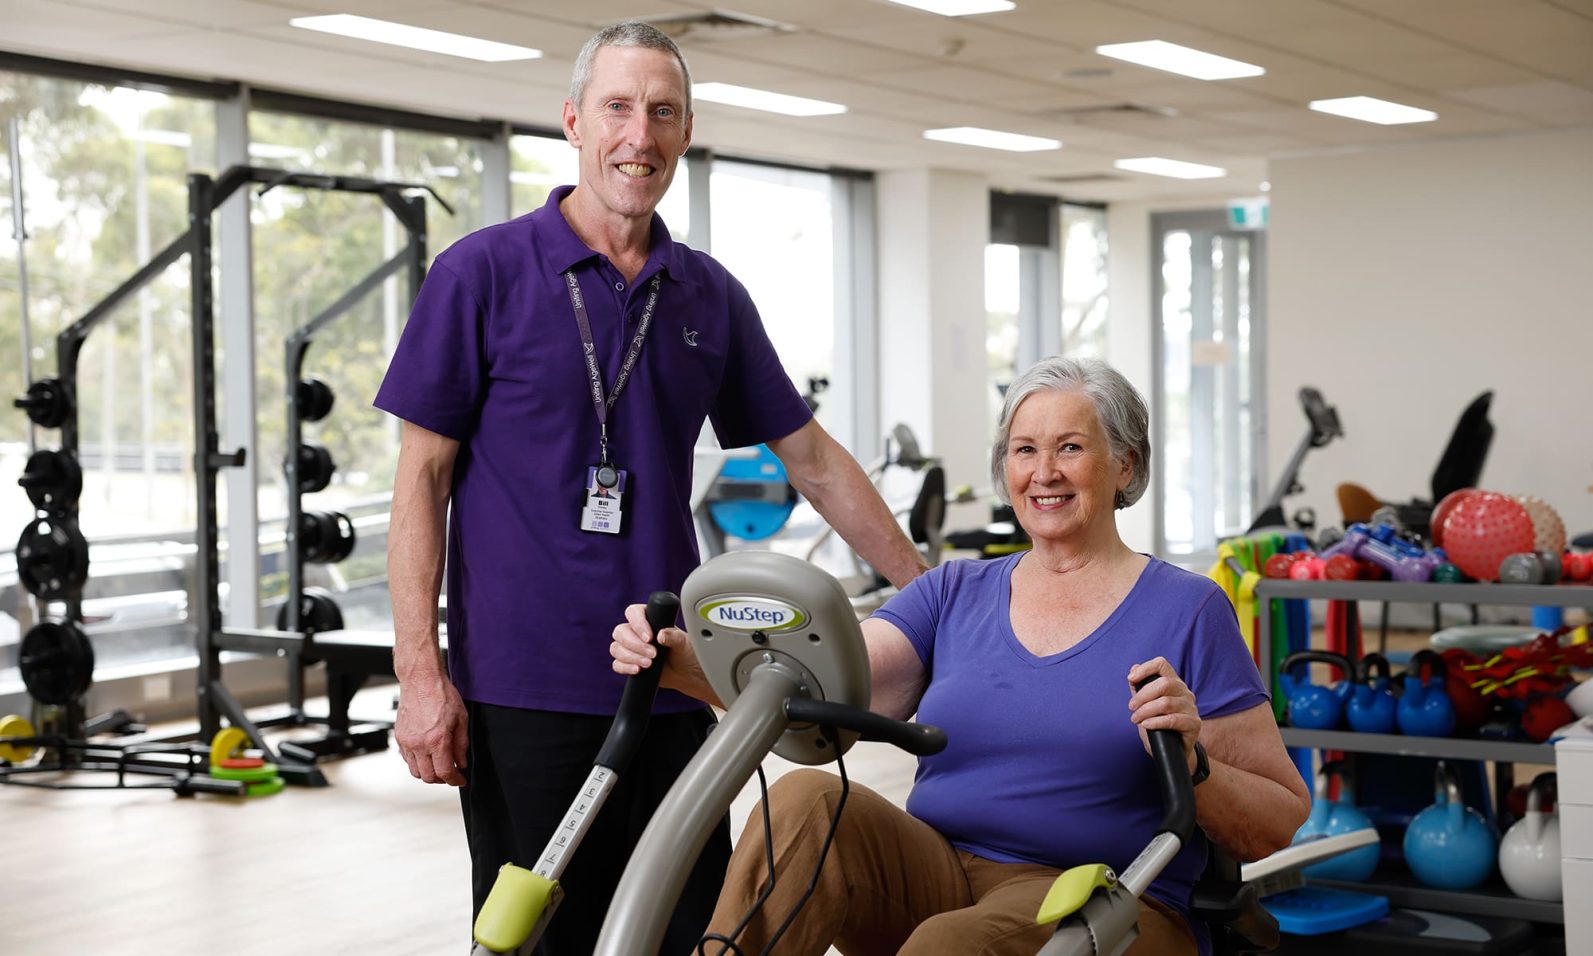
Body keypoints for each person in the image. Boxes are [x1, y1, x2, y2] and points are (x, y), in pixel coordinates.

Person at [375, 20, 927, 955]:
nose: (641, 135)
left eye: (662, 113)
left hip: (676, 675)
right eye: (618, 109)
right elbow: (420, 481)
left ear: (685, 131)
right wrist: (418, 676)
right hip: (522, 686)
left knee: (681, 927)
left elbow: (814, 459)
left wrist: (935, 595)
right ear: (574, 123)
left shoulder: (708, 294)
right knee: (540, 934)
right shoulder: (481, 274)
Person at [612, 356, 1312, 956]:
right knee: (804, 801)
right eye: (1023, 449)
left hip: (1108, 901)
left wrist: (1193, 763)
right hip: (939, 871)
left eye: (1070, 447)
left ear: (1124, 464)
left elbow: (1275, 818)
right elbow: (821, 682)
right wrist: (684, 663)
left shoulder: (1186, 608)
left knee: (948, 946)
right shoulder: (954, 590)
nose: (1043, 472)